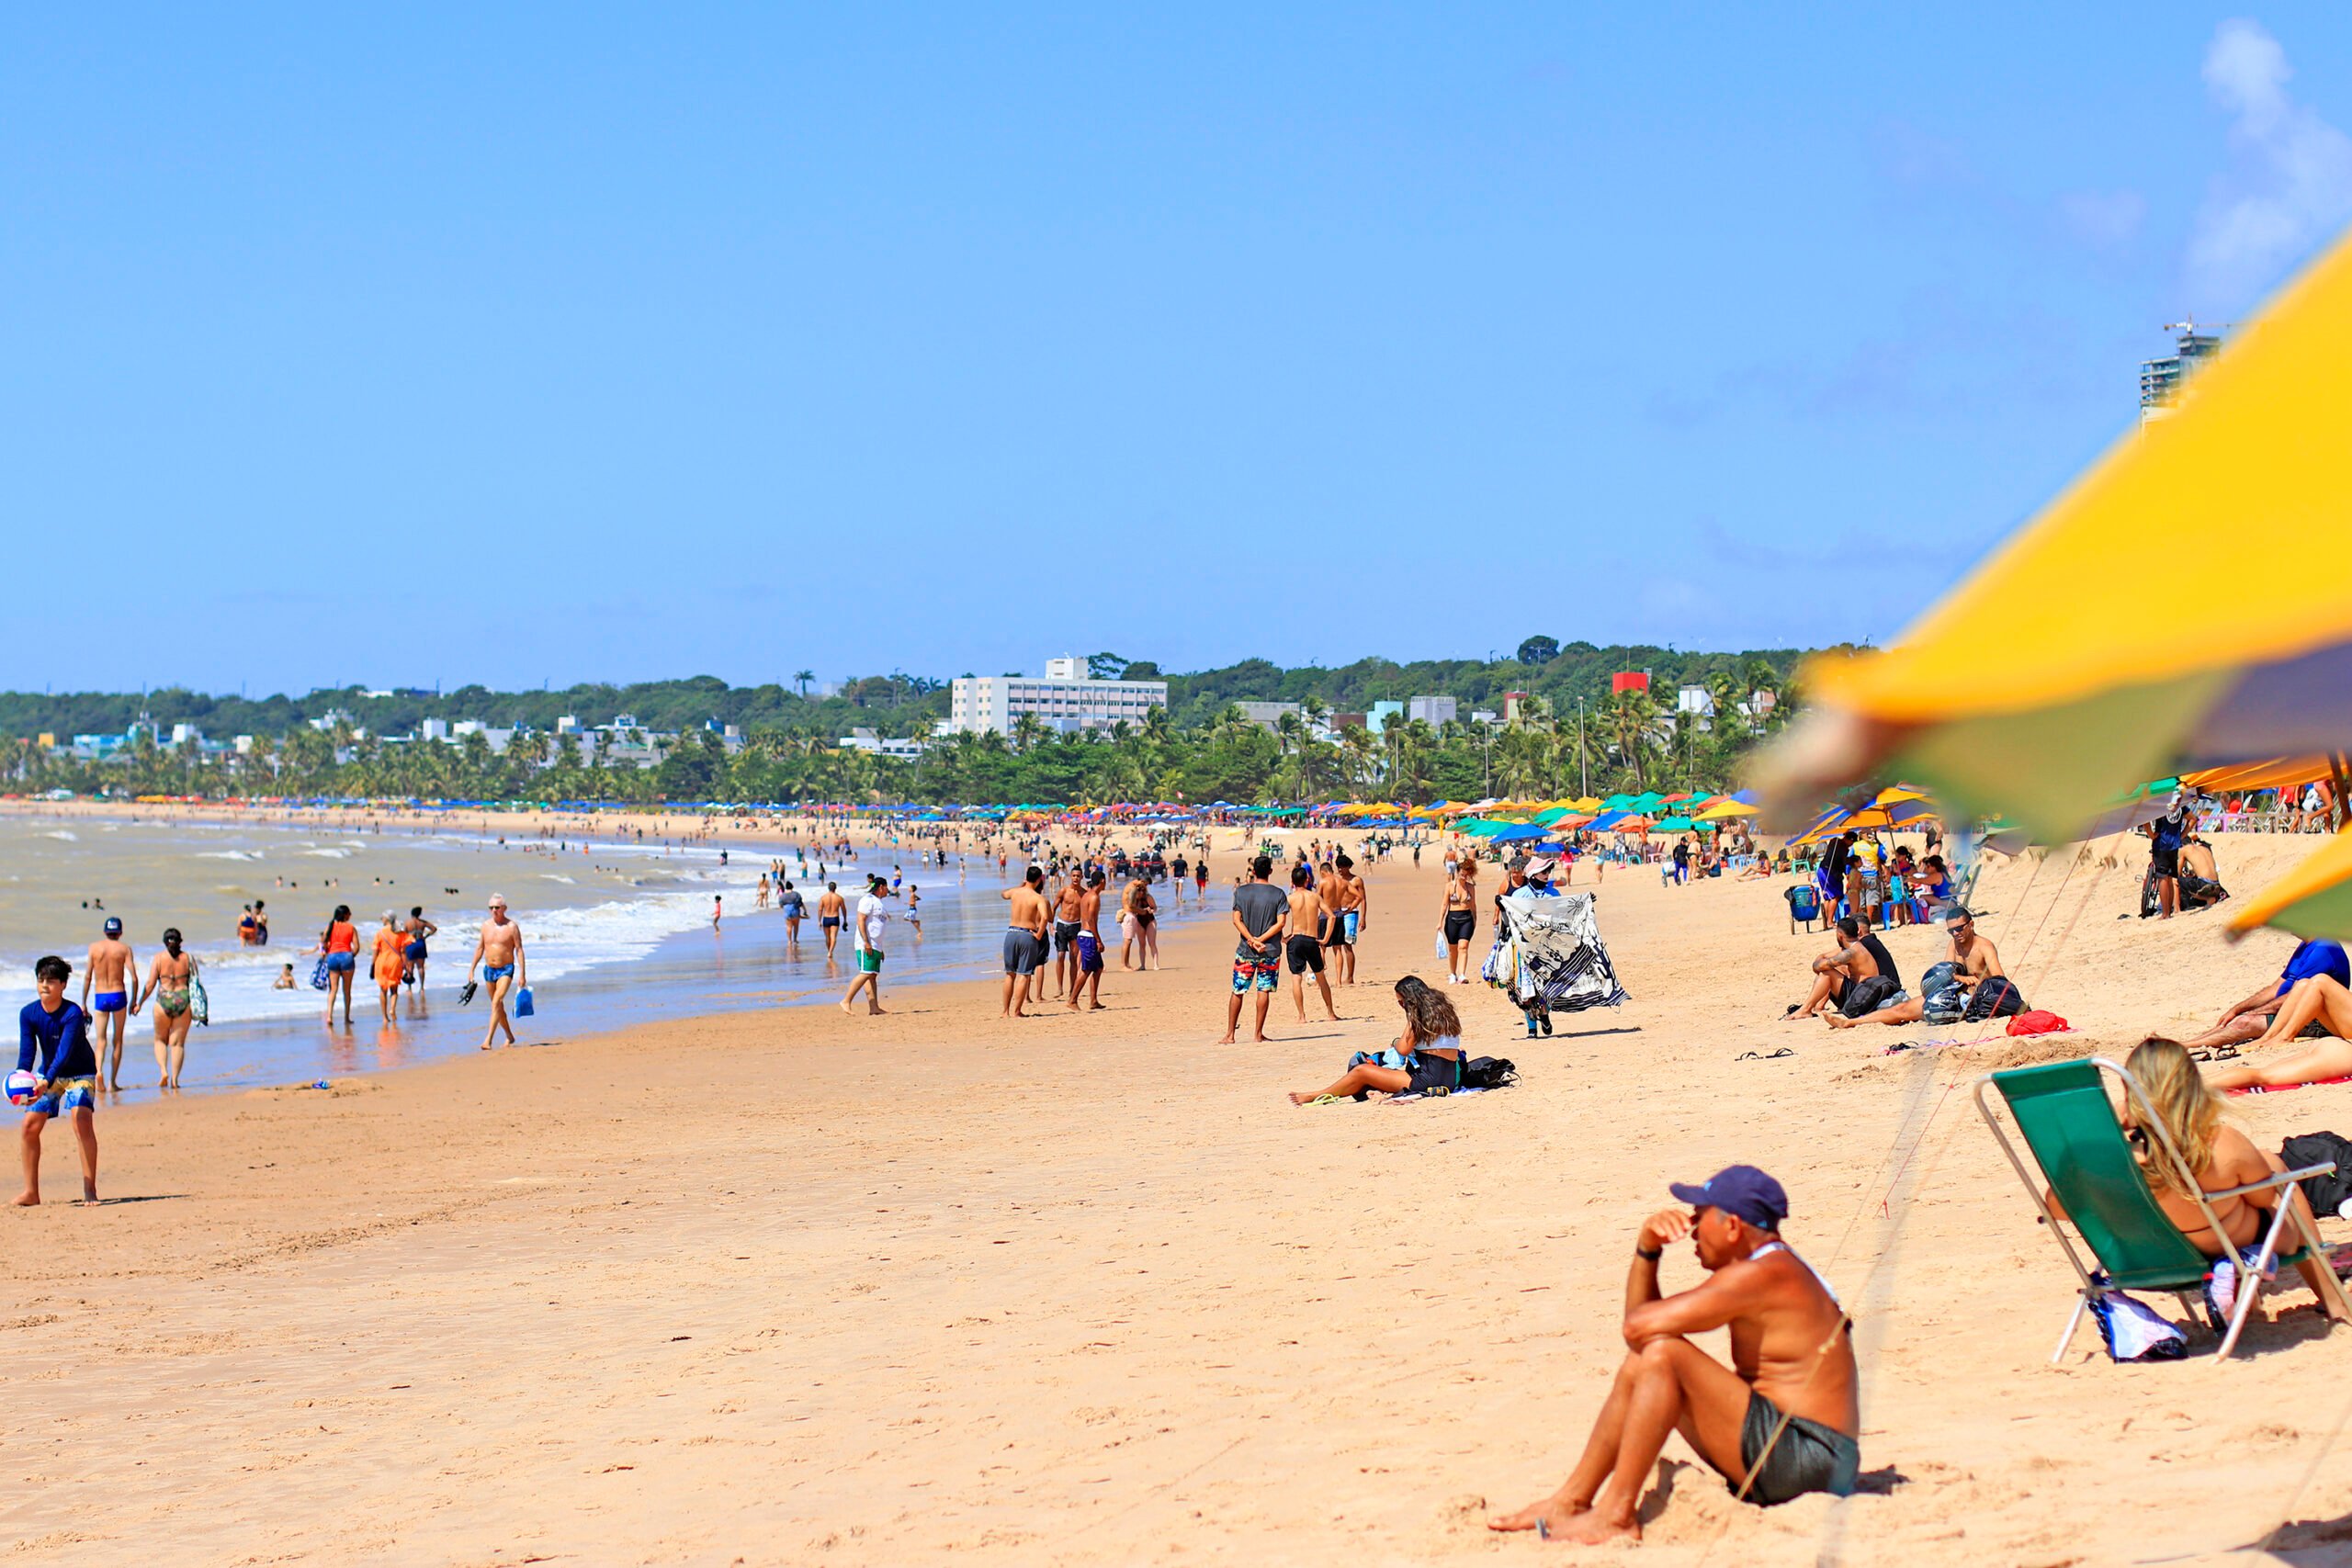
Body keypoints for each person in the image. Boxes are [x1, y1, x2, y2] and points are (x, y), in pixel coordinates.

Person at [1488, 1167, 1859, 1543]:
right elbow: (1641, 1338)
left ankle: (1616, 1513)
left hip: (1811, 1459)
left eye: (1700, 1218)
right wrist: (1648, 1247)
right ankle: (1571, 1501)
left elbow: (1637, 1328)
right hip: (1801, 1452)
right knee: (1649, 1358)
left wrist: (1647, 1251)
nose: (1693, 1229)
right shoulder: (1774, 1264)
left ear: (1732, 1227)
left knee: (1664, 1354)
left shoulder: (1762, 1274)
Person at [2064, 1039, 2351, 1324]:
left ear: (2127, 1095)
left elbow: (2059, 1209)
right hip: (2221, 1248)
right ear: (2192, 1087)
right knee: (2275, 1178)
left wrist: (2105, 1131)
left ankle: (2246, 1303)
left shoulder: (2110, 1161)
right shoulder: (2220, 1142)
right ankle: (2334, 1301)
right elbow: (2263, 1200)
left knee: (2244, 1185)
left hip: (2148, 1260)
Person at [1826, 905, 2009, 1029]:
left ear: (1971, 924)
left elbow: (2000, 980)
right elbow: (1948, 971)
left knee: (1907, 1011)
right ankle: (1851, 1023)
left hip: (1972, 999)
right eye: (1951, 930)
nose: (1955, 933)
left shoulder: (1984, 946)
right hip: (1950, 994)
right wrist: (1960, 978)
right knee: (1902, 1009)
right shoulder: (1954, 944)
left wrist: (1975, 983)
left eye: (1959, 929)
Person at [1289, 976, 1462, 1103]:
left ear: (1410, 1000)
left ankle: (1316, 1095)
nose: (1401, 1006)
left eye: (1402, 1002)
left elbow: (1403, 1049)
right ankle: (1331, 1093)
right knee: (1371, 1074)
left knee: (1361, 1070)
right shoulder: (1445, 1013)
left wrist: (1394, 1041)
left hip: (1427, 1081)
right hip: (1450, 1079)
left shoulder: (1418, 1015)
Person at [17, 956, 100, 1206]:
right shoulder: (28, 1013)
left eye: (51, 981)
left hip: (79, 1072)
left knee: (81, 1119)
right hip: (48, 1072)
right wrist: (23, 1080)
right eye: (41, 980)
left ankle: (90, 1189)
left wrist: (46, 1081)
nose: (45, 985)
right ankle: (31, 1192)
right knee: (29, 1125)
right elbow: (28, 1052)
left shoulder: (72, 1013)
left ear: (63, 985)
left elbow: (63, 1052)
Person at [2184, 938, 2349, 1056]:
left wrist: (2255, 1013)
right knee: (2236, 1018)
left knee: (2244, 1022)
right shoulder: (2306, 946)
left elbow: (2296, 997)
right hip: (2291, 1008)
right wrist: (2238, 1009)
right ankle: (2187, 1043)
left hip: (2313, 1018)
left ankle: (2282, 1036)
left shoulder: (2324, 948)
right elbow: (2276, 987)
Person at [1219, 855, 1288, 1046]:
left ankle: (1230, 1034)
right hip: (1270, 950)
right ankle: (1258, 1033)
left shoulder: (1241, 892)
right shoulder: (1278, 894)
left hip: (1246, 950)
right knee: (1263, 990)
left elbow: (1236, 920)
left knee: (1238, 990)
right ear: (1270, 871)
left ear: (1253, 871)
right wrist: (1260, 939)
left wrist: (1251, 939)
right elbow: (1281, 922)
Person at [1787, 916, 1902, 1021]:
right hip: (1863, 995)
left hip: (1862, 1000)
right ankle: (1812, 1007)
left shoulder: (1851, 953)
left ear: (1840, 935)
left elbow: (1820, 966)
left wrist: (1817, 966)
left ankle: (1806, 1009)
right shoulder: (1857, 947)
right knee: (1834, 971)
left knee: (1828, 973)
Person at [134, 929, 198, 1089]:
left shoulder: (159, 958)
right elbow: (196, 983)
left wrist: (139, 1003)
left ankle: (163, 1071)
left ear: (164, 942)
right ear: (180, 941)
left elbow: (150, 985)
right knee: (177, 1044)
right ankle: (175, 1080)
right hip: (183, 1001)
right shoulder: (188, 958)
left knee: (160, 1040)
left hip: (163, 1001)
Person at [81, 917, 138, 1092]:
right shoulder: (124, 949)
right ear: (120, 932)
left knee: (101, 1040)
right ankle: (113, 1083)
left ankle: (98, 1072)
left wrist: (83, 1002)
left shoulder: (94, 948)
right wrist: (134, 1001)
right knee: (118, 1040)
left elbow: (88, 977)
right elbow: (134, 978)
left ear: (105, 931)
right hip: (118, 994)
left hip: (101, 995)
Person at [466, 896, 526, 1051]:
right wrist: (471, 969)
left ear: (504, 908)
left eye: (497, 907)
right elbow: (480, 948)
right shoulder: (485, 926)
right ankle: (509, 1036)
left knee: (495, 1002)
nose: (494, 910)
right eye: (491, 907)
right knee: (498, 1006)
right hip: (489, 970)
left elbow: (519, 950)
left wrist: (522, 974)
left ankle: (488, 1040)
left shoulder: (512, 927)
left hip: (506, 969)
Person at [1283, 863, 1340, 1024]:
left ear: (1292, 882)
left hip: (1296, 939)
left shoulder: (1290, 898)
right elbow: (1332, 916)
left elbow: (1278, 919)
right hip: (1311, 939)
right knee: (1321, 978)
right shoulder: (1315, 897)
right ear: (1307, 879)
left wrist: (1283, 938)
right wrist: (1325, 939)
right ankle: (1331, 1013)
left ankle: (1302, 1016)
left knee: (1297, 978)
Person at [1001, 867, 1051, 1018]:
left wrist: (1020, 885)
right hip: (1027, 934)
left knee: (1010, 974)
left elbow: (1003, 894)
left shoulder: (1016, 892)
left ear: (1026, 878)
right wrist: (1039, 934)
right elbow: (1045, 917)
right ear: (1038, 880)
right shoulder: (1037, 898)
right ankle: (1017, 1011)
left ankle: (1005, 1011)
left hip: (1011, 933)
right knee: (1024, 974)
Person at [842, 874, 888, 1016]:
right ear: (881, 887)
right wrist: (866, 942)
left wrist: (880, 949)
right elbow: (860, 920)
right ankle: (846, 1001)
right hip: (865, 943)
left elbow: (876, 926)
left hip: (875, 945)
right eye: (886, 887)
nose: (888, 890)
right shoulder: (867, 900)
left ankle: (874, 1007)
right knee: (866, 973)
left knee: (872, 976)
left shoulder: (879, 902)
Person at [1067, 870, 1107, 1012]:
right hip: (1089, 936)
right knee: (1086, 969)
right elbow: (1090, 919)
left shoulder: (1086, 895)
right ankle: (1072, 1000)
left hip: (1084, 934)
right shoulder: (1094, 897)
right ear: (1102, 881)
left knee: (1098, 968)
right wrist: (1098, 940)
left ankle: (1094, 1000)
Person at [313, 905, 359, 1029]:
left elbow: (323, 942)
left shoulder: (330, 926)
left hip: (332, 957)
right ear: (345, 915)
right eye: (349, 913)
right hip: (346, 957)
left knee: (333, 989)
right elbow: (357, 947)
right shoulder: (351, 928)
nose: (350, 915)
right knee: (347, 991)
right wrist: (350, 956)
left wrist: (329, 951)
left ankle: (329, 1016)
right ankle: (346, 1018)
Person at [1442, 858, 1478, 984]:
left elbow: (1473, 905)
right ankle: (1452, 973)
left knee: (1463, 947)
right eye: (1462, 874)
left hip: (1467, 919)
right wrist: (1440, 922)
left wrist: (1475, 920)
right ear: (1458, 872)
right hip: (1452, 918)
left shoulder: (1471, 888)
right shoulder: (1449, 886)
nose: (1464, 876)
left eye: (1466, 874)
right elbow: (1444, 905)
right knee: (1453, 948)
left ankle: (1462, 974)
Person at [1051, 871, 1085, 1001]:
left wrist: (1086, 929)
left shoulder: (1084, 893)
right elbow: (1053, 908)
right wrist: (1050, 925)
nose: (1076, 878)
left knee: (1074, 958)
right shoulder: (1064, 891)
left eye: (1078, 876)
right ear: (1071, 877)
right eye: (1074, 876)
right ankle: (1059, 987)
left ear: (1081, 877)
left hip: (1076, 926)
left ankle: (1072, 988)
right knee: (1060, 955)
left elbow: (1087, 912)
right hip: (1061, 925)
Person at [370, 910, 407, 1023]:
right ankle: (392, 1009)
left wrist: (372, 965)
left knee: (383, 989)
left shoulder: (380, 933)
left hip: (382, 962)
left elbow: (375, 952)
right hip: (395, 962)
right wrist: (405, 965)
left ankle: (384, 1017)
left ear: (386, 919)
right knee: (394, 989)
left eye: (382, 918)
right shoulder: (399, 932)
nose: (381, 919)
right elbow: (403, 951)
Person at [403, 906, 438, 989]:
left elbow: (404, 935)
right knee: (421, 967)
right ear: (419, 914)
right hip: (420, 943)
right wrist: (426, 936)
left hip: (411, 943)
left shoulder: (408, 923)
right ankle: (422, 987)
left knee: (410, 967)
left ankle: (409, 987)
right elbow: (434, 929)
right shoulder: (423, 922)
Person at [817, 882, 846, 960]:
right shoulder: (839, 898)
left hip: (826, 918)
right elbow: (844, 909)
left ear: (828, 888)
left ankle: (829, 951)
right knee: (833, 936)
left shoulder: (823, 898)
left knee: (827, 937)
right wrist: (845, 920)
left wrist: (819, 921)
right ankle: (830, 951)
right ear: (835, 888)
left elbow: (820, 909)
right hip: (835, 918)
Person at [780, 880, 806, 947]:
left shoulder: (783, 896)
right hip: (795, 911)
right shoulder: (796, 894)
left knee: (789, 926)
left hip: (787, 912)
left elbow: (781, 905)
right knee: (796, 926)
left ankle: (789, 940)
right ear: (792, 887)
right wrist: (805, 911)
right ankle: (795, 939)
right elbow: (801, 903)